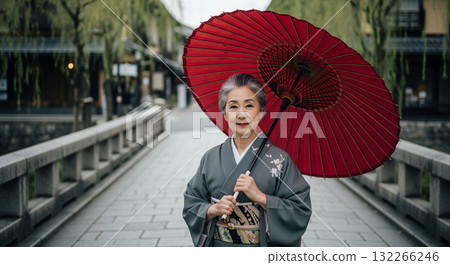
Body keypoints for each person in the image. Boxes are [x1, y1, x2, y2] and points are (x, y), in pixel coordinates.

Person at [183, 73, 312, 247]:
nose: (241, 114)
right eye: (233, 107)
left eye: (249, 106)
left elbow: (300, 210)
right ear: (225, 114)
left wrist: (261, 197)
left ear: (261, 113)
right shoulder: (210, 158)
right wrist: (214, 209)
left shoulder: (280, 160)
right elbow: (191, 203)